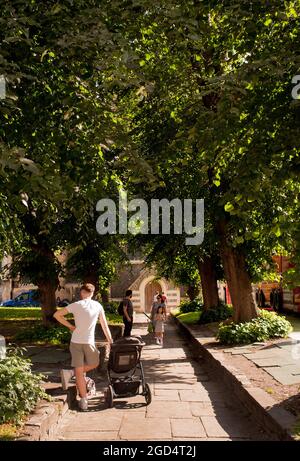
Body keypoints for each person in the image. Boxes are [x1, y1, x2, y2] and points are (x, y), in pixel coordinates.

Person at [54, 283, 113, 411]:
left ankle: (83, 399)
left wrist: (70, 326)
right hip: (89, 342)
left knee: (79, 372)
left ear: (82, 293)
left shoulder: (76, 305)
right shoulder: (98, 306)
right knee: (95, 363)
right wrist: (110, 340)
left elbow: (57, 315)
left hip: (75, 341)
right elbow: (104, 325)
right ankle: (83, 399)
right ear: (92, 293)